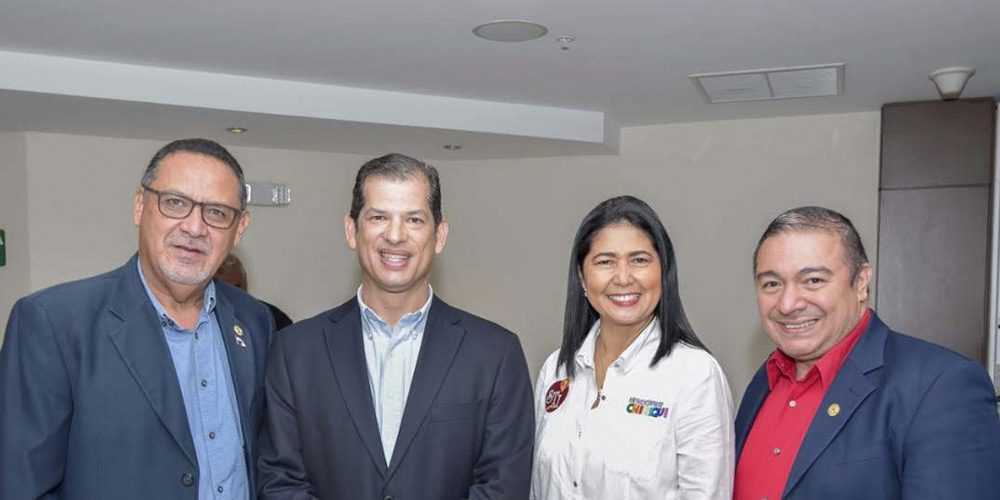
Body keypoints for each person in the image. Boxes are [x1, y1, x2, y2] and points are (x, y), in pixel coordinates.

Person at [0, 138, 274, 499]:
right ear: (140, 206)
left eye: (217, 213)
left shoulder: (254, 320)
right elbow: (22, 485)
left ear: (239, 228)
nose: (194, 228)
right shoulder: (54, 323)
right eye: (175, 203)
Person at [257, 153, 534, 499]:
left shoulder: (495, 354)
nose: (395, 235)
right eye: (378, 217)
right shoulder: (296, 351)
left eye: (414, 220)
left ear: (440, 235)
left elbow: (503, 485)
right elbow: (280, 481)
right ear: (352, 230)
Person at [734, 206, 1000, 500]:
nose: (787, 304)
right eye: (772, 284)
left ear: (860, 282)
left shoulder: (941, 386)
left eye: (813, 280)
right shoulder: (764, 381)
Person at [531, 195, 734, 500]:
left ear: (663, 271)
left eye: (639, 260)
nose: (623, 278)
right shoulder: (555, 370)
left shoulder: (696, 375)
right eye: (605, 262)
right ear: (582, 277)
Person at [215, 254, 294, 330]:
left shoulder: (271, 318)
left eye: (237, 287)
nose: (232, 294)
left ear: (246, 283)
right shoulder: (209, 322)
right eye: (224, 289)